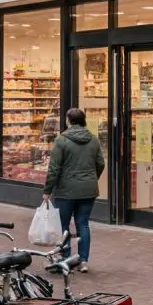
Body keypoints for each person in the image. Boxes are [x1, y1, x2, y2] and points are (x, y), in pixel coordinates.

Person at [43, 108, 105, 273]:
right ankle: (83, 261)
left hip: (66, 190)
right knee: (83, 224)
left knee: (63, 226)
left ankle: (65, 259)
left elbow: (54, 168)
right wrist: (91, 178)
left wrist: (47, 189)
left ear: (69, 121)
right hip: (88, 190)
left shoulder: (61, 140)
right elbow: (100, 163)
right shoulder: (93, 140)